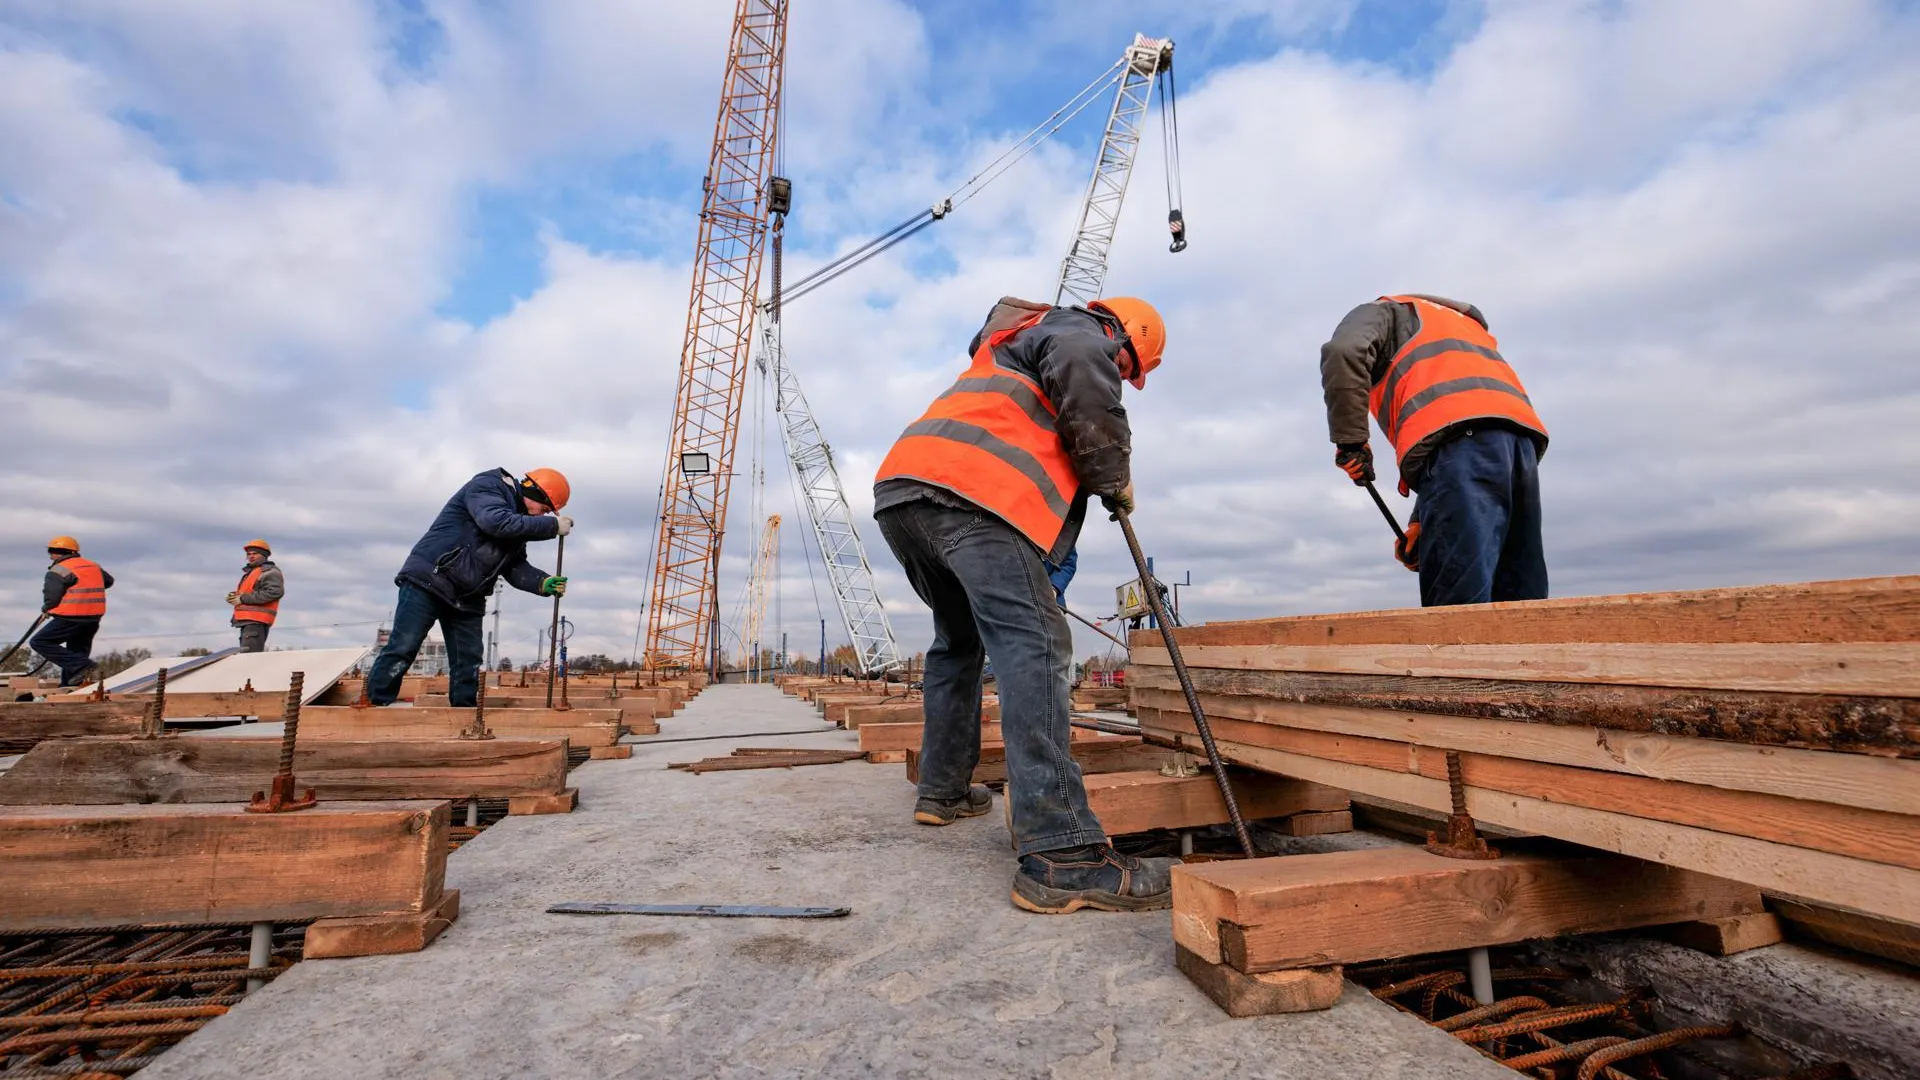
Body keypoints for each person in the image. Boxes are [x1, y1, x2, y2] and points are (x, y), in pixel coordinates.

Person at [873, 294, 1178, 914]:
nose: (1119, 377)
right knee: (1035, 645)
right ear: (1122, 339)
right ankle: (1062, 853)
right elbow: (1082, 361)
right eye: (1125, 370)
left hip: (905, 494)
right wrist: (1112, 473)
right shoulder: (1076, 329)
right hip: (974, 497)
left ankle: (944, 790)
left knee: (958, 647)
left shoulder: (1003, 349)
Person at [1319, 294, 1550, 607]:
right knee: (1519, 596)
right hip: (1521, 444)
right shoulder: (1463, 326)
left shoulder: (1384, 311)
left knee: (1456, 604)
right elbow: (1470, 438)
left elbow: (1343, 351)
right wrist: (1422, 521)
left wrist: (1351, 442)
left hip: (1460, 443)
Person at [368, 468, 572, 708]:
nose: (542, 516)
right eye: (544, 510)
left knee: (469, 661)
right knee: (403, 647)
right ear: (535, 493)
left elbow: (514, 566)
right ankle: (373, 706)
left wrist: (541, 582)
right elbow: (494, 522)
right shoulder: (490, 486)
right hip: (431, 579)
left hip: (468, 595)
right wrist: (550, 527)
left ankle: (464, 717)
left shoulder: (518, 523)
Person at [32, 536, 113, 687]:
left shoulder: (58, 570)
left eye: (52, 551)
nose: (50, 555)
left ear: (59, 553)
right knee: (76, 650)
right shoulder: (92, 565)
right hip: (93, 618)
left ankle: (82, 665)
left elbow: (52, 595)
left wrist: (47, 609)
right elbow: (108, 581)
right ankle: (69, 686)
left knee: (40, 642)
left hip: (71, 617)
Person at [227, 539, 285, 652]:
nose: (251, 556)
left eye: (255, 553)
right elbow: (251, 592)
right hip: (248, 621)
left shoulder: (269, 572)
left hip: (256, 621)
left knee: (250, 658)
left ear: (264, 556)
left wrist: (242, 598)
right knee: (247, 657)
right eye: (248, 554)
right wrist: (235, 596)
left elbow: (274, 592)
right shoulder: (253, 572)